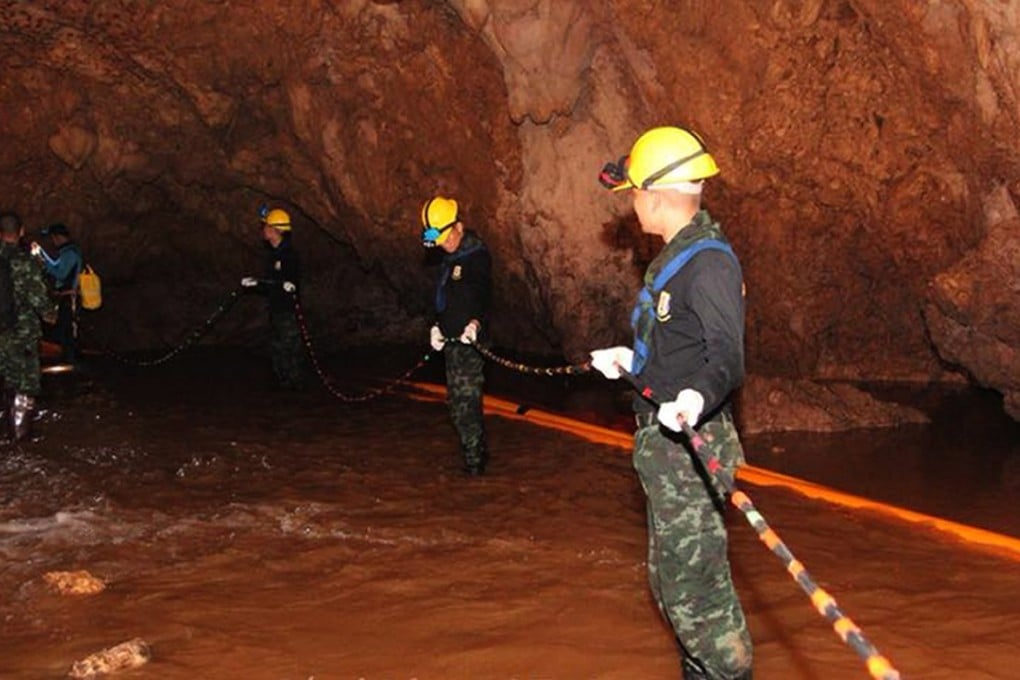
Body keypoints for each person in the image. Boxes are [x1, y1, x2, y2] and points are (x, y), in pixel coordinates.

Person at [589, 126, 753, 680]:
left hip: (694, 449)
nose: (632, 202)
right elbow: (679, 348)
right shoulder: (677, 258)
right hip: (667, 449)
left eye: (634, 191)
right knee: (672, 588)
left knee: (699, 600)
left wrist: (693, 398)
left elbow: (726, 357)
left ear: (657, 196)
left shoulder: (709, 264)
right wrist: (632, 366)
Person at [421, 196, 492, 476]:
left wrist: (475, 324)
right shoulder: (450, 260)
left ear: (459, 227)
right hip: (451, 342)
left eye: (447, 238)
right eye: (440, 242)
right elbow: (445, 297)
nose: (445, 245)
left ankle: (475, 468)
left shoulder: (476, 257)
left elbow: (484, 297)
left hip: (470, 343)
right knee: (456, 404)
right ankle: (475, 455)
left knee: (465, 406)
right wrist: (436, 325)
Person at [0, 211, 57, 441]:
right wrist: (50, 314)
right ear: (21, 232)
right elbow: (38, 298)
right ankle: (22, 442)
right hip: (21, 333)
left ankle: (5, 430)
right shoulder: (24, 262)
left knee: (6, 380)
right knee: (25, 383)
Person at [240, 207, 310, 391]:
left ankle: (298, 395)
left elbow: (290, 281)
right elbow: (272, 283)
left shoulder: (288, 255)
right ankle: (284, 397)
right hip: (276, 310)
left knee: (291, 352)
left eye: (266, 226)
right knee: (278, 352)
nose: (263, 230)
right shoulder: (273, 255)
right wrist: (255, 284)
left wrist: (288, 285)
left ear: (275, 230)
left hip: (288, 311)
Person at [31, 222, 83, 364]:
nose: (53, 242)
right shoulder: (67, 252)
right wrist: (41, 253)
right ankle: (69, 358)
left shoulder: (70, 253)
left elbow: (60, 273)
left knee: (67, 330)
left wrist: (42, 262)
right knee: (65, 329)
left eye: (53, 238)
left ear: (58, 237)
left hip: (69, 297)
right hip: (66, 296)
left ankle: (71, 361)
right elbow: (56, 265)